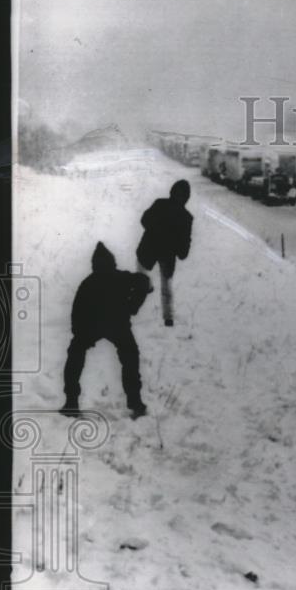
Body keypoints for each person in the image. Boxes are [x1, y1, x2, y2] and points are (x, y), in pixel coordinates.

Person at [61, 242, 152, 419]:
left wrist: (78, 334)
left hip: (91, 327)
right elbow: (144, 281)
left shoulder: (88, 282)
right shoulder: (121, 277)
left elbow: (77, 311)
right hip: (118, 325)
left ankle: (71, 402)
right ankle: (135, 402)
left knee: (75, 354)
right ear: (113, 262)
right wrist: (133, 306)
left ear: (94, 265)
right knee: (130, 356)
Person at [136, 179, 193, 326]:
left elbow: (144, 220)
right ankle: (168, 317)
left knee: (146, 275)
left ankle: (166, 314)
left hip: (151, 247)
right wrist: (181, 250)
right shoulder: (186, 217)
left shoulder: (160, 204)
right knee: (166, 286)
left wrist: (155, 230)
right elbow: (185, 242)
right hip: (163, 252)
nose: (179, 198)